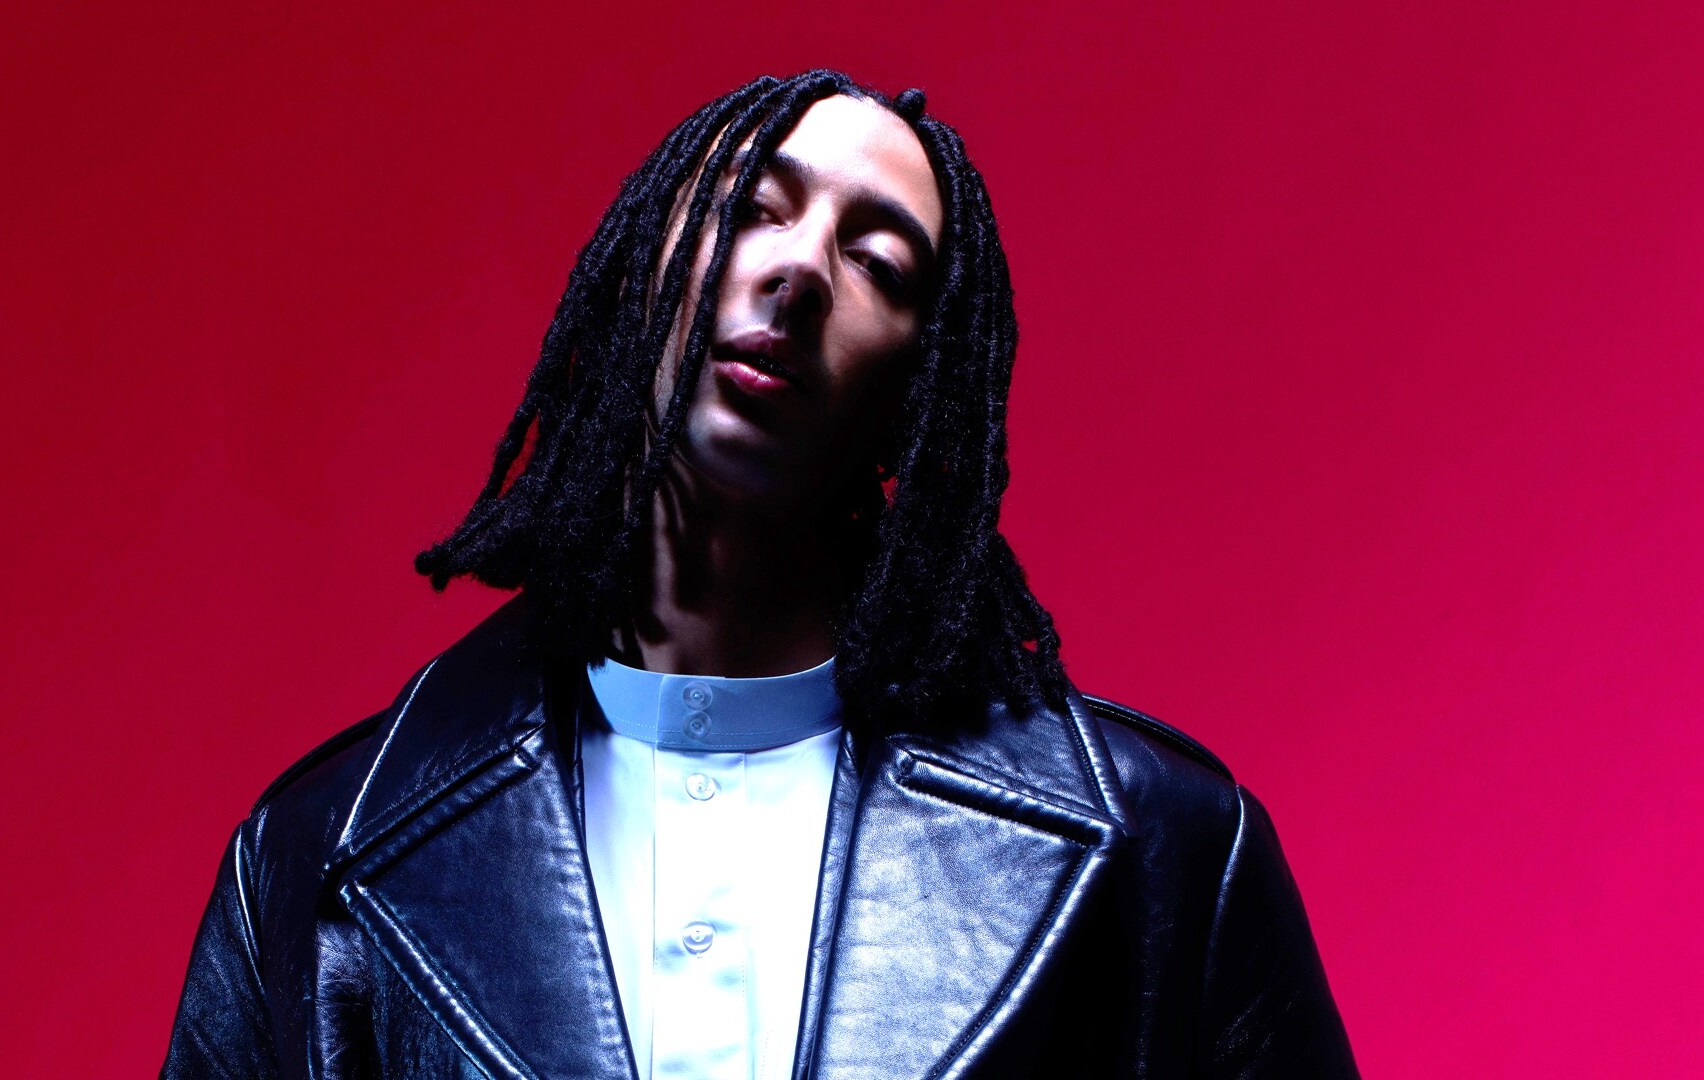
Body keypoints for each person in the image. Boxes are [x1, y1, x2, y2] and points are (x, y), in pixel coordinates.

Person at [162, 69, 1359, 1079]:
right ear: (645, 265)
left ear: (919, 391)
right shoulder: (313, 853)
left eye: (880, 261)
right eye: (750, 209)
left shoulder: (1162, 846)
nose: (800, 271)